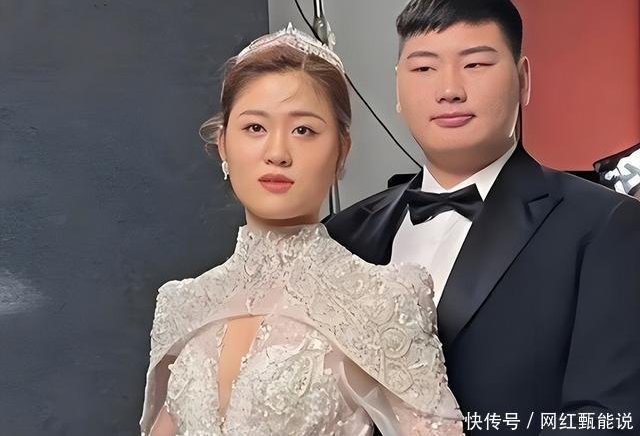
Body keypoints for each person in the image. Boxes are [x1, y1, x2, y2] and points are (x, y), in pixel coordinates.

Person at [325, 0, 640, 435]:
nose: (449, 89)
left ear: (523, 79)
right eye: (424, 68)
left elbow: (606, 419)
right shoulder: (341, 235)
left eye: (474, 64)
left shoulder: (606, 226)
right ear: (398, 89)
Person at [139, 24, 464, 436]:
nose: (277, 153)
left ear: (341, 152)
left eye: (303, 130)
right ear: (223, 145)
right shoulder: (182, 304)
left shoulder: (382, 300)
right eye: (255, 128)